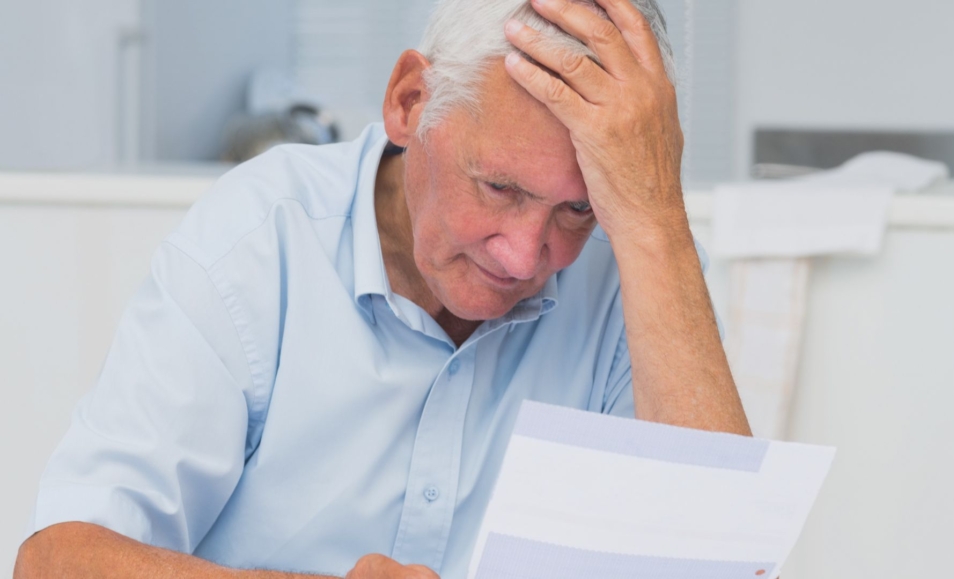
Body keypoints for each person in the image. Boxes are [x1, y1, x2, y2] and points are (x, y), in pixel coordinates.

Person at [15, 0, 750, 577]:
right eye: (499, 187)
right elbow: (57, 561)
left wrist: (655, 218)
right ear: (409, 101)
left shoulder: (636, 261)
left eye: (577, 209)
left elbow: (716, 559)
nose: (527, 254)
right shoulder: (262, 241)